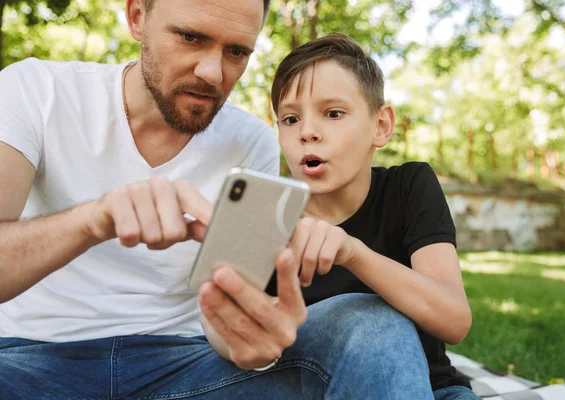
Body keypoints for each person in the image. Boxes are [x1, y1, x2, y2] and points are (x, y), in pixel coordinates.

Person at [0, 0, 434, 399]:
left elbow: (225, 312)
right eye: (191, 37)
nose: (212, 71)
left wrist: (251, 345)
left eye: (237, 52)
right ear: (136, 17)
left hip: (186, 370)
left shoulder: (253, 144)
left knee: (375, 324)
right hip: (25, 363)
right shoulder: (35, 91)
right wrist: (92, 221)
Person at [267, 33, 482, 400]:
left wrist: (354, 253)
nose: (307, 132)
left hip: (434, 390)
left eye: (333, 113)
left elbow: (454, 320)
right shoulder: (268, 213)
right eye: (290, 118)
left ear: (380, 125)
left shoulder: (408, 186)